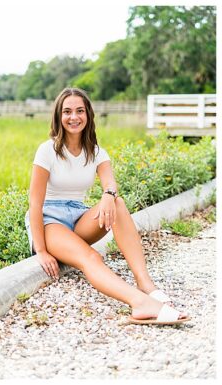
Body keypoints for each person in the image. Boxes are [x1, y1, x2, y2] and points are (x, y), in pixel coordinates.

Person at [27, 87, 189, 325]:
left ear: (88, 115)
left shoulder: (96, 152)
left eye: (80, 111)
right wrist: (40, 250)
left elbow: (110, 182)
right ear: (58, 116)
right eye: (67, 111)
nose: (74, 117)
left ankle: (144, 282)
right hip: (50, 219)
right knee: (91, 257)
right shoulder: (48, 150)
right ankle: (139, 303)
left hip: (79, 218)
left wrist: (108, 195)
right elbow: (35, 202)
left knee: (118, 203)